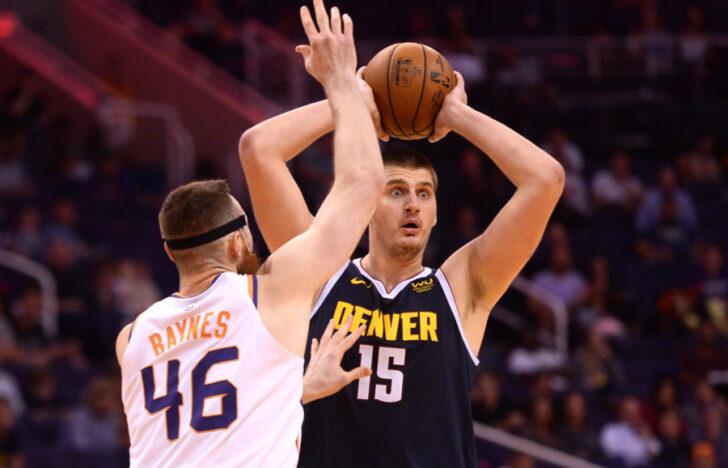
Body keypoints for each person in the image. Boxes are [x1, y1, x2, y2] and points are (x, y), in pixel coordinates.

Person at [239, 51, 565, 466]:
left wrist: (457, 115)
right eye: (396, 191)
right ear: (368, 201)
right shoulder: (317, 274)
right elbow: (257, 148)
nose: (412, 204)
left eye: (423, 194)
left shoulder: (461, 288)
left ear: (434, 213)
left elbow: (546, 179)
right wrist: (350, 102)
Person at [115, 2, 385, 466]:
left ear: (171, 252)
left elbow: (202, 430)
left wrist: (294, 389)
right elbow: (364, 184)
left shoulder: (131, 338)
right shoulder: (271, 293)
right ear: (239, 241)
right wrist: (341, 81)